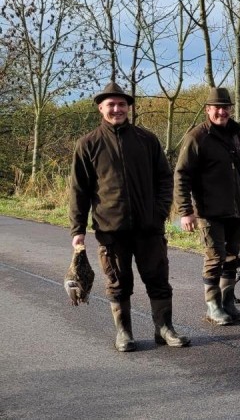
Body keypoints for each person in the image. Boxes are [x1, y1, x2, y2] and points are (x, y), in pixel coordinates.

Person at [69, 81, 190, 352]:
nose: (117, 109)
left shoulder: (147, 140)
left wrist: (159, 212)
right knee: (117, 282)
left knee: (158, 279)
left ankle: (164, 329)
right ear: (101, 108)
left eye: (122, 104)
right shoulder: (88, 144)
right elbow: (79, 189)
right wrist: (77, 228)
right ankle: (124, 333)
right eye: (111, 104)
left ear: (128, 108)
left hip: (149, 227)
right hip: (111, 228)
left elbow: (164, 178)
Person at [174, 87, 240, 325]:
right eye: (217, 108)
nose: (222, 112)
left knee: (232, 258)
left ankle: (228, 304)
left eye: (226, 108)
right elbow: (181, 175)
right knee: (216, 258)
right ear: (208, 110)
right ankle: (213, 307)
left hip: (236, 209)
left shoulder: (237, 134)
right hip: (208, 211)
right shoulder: (196, 137)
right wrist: (185, 211)